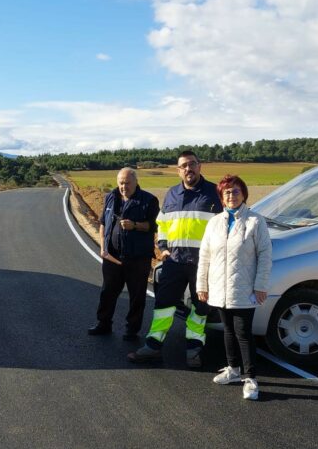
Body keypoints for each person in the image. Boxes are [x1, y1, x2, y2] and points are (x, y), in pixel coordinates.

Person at [128, 151, 222, 367]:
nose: (188, 169)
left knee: (200, 308)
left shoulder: (215, 193)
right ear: (179, 170)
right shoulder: (172, 194)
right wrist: (163, 247)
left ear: (200, 167)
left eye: (192, 164)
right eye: (184, 166)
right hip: (175, 261)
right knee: (163, 305)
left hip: (203, 265)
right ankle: (153, 347)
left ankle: (194, 350)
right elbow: (162, 224)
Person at [196, 174, 272, 400]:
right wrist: (202, 284)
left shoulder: (255, 221)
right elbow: (205, 256)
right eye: (227, 192)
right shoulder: (214, 223)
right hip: (219, 289)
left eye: (236, 191)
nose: (231, 195)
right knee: (228, 331)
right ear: (221, 196)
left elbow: (265, 255)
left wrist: (260, 285)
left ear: (244, 194)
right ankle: (233, 369)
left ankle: (250, 378)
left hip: (244, 288)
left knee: (243, 333)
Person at [88, 167, 160, 341]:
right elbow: (103, 223)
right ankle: (103, 324)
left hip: (138, 259)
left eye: (127, 183)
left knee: (137, 296)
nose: (123, 186)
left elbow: (154, 226)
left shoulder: (148, 200)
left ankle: (132, 330)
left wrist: (135, 225)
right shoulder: (110, 197)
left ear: (136, 182)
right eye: (121, 183)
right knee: (107, 292)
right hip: (112, 257)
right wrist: (103, 247)